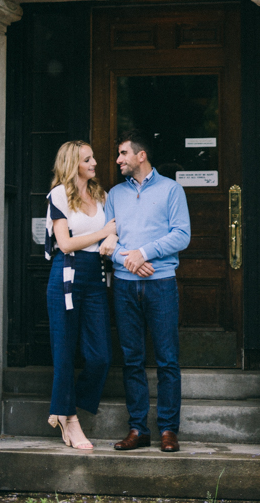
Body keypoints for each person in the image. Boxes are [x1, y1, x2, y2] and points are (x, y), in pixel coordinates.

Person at [101, 130, 191, 453]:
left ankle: (168, 429)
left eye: (123, 153)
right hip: (125, 285)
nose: (118, 160)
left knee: (168, 359)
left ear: (141, 156)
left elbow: (182, 235)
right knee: (132, 358)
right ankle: (138, 428)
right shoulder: (114, 194)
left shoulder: (171, 190)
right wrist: (131, 259)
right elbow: (105, 240)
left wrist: (145, 253)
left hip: (161, 284)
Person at [45, 140, 117, 450]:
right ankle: (69, 419)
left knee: (100, 355)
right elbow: (64, 243)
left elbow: (115, 227)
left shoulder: (102, 195)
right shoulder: (59, 195)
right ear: (73, 164)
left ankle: (63, 406)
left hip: (95, 278)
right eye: (88, 159)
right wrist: (104, 233)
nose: (95, 162)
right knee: (63, 354)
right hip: (66, 277)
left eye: (93, 157)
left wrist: (112, 235)